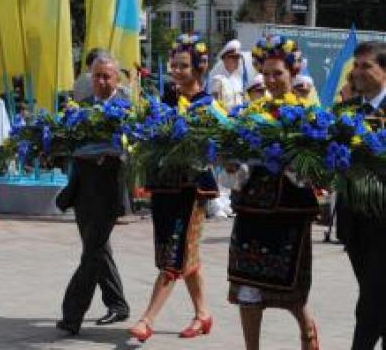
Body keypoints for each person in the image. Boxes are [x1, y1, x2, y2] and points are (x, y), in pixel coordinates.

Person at [227, 36, 319, 350]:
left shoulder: (309, 116)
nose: (271, 80)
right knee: (248, 287)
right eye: (266, 73)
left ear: (293, 74)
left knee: (289, 289)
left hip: (289, 209)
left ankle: (307, 329)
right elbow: (242, 167)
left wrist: (289, 160)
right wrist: (232, 166)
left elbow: (313, 170)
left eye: (278, 73)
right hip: (252, 208)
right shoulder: (253, 112)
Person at [128, 39, 217, 343]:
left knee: (175, 254)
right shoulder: (164, 99)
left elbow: (215, 146)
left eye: (184, 66)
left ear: (198, 69)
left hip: (193, 190)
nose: (177, 71)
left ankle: (146, 320)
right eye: (174, 65)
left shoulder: (208, 104)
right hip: (165, 187)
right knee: (182, 253)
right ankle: (203, 314)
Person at [55, 53, 130, 336]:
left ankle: (71, 314)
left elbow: (129, 150)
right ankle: (118, 304)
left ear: (117, 79)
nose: (100, 81)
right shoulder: (81, 109)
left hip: (110, 191)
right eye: (96, 76)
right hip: (83, 191)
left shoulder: (126, 111)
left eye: (106, 76)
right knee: (97, 249)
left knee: (92, 253)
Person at [335, 41, 386, 350]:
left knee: (370, 306)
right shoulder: (346, 112)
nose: (358, 72)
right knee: (377, 299)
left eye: (366, 65)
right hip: (355, 225)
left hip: (385, 225)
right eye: (356, 65)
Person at [210, 39, 245, 112]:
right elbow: (215, 104)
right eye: (233, 57)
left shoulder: (239, 79)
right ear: (224, 59)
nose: (236, 60)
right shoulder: (218, 80)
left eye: (238, 57)